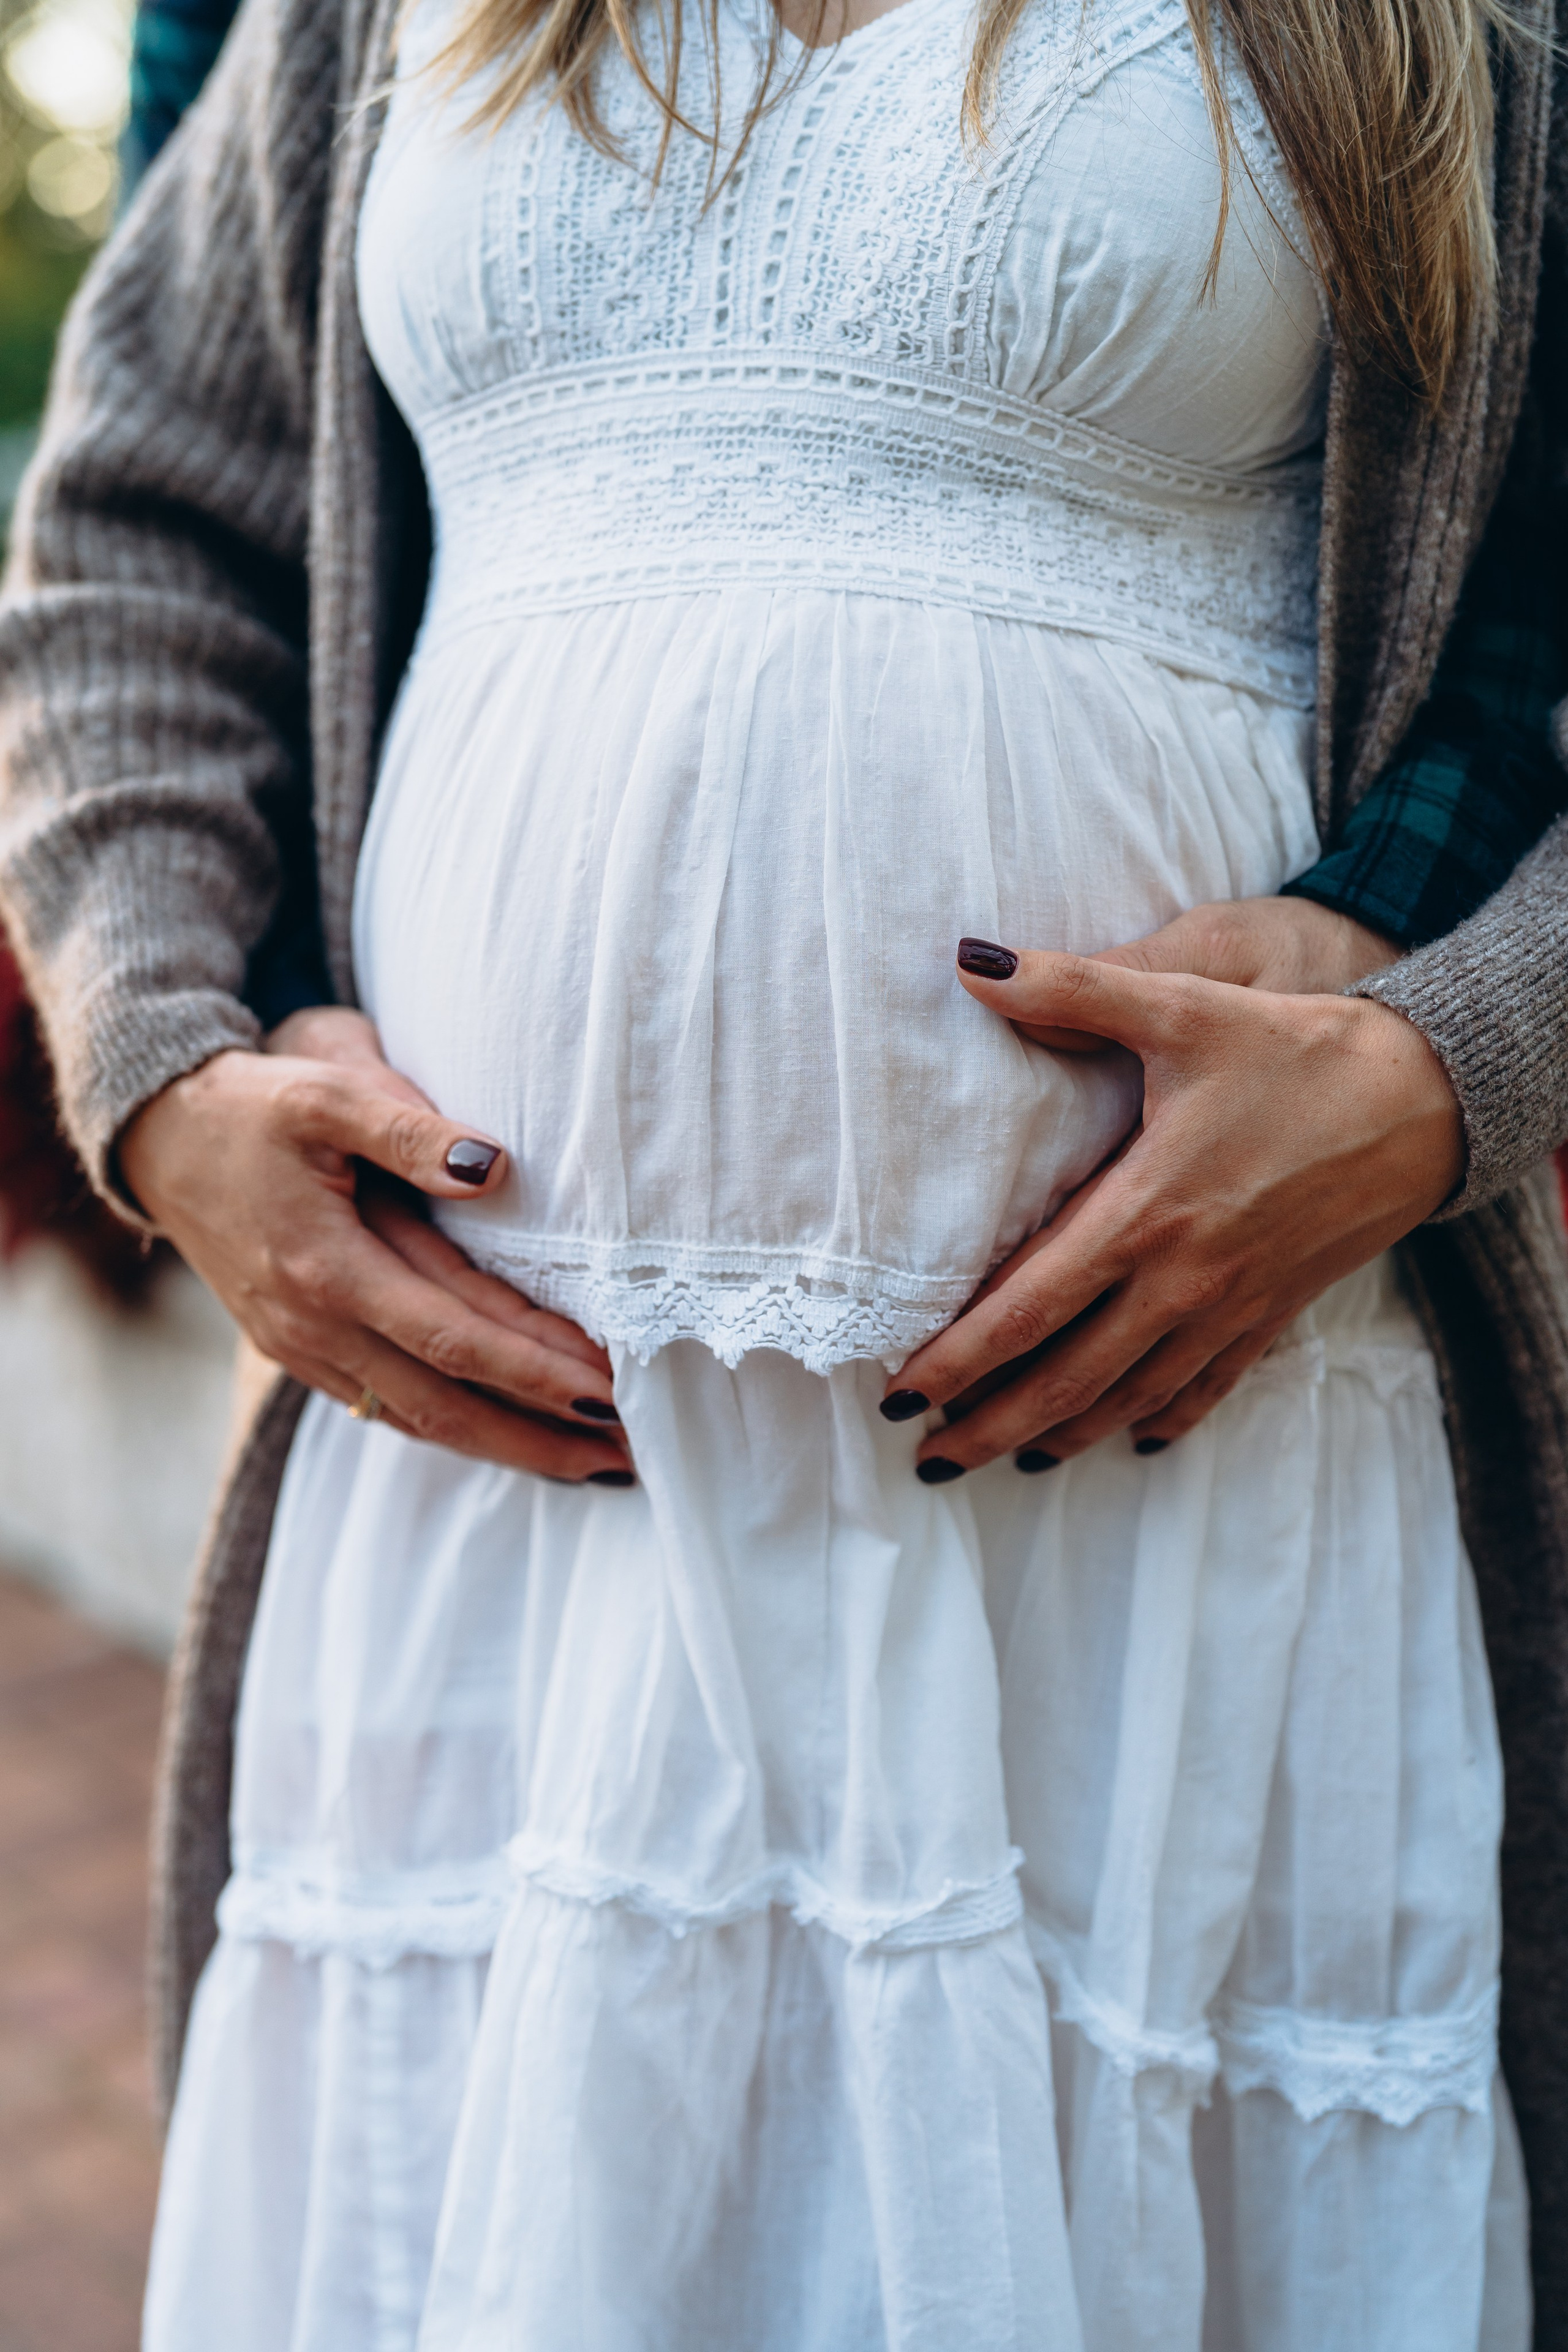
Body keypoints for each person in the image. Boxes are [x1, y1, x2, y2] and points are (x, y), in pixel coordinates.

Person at [2, 0, 1567, 2340]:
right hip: (508, 1518)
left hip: (1168, 1520)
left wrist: (1457, 1064)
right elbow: (139, 527)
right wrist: (162, 1068)